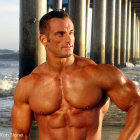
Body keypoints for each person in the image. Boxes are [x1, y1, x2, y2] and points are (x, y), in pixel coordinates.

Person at [11, 10, 140, 140]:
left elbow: (137, 103)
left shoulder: (99, 75)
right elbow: (19, 133)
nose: (69, 39)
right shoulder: (28, 85)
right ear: (44, 39)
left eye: (71, 33)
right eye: (60, 34)